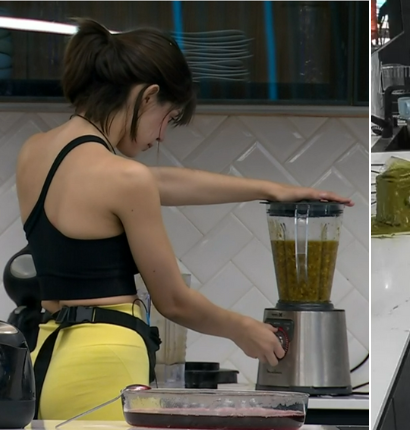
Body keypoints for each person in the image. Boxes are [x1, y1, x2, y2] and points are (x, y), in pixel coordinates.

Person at [15, 18, 352, 420]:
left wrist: (271, 189)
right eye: (169, 117)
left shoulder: (35, 152)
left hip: (48, 361)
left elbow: (160, 182)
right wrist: (243, 329)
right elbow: (173, 301)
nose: (161, 136)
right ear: (148, 96)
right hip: (106, 365)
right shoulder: (124, 179)